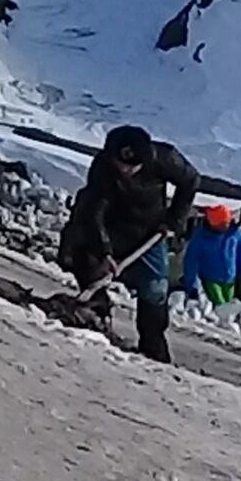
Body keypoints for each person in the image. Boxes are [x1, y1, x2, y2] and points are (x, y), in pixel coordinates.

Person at [57, 126, 199, 363]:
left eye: (131, 167)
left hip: (150, 231)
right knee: (86, 262)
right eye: (120, 164)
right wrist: (105, 251)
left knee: (155, 290)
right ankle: (95, 316)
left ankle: (153, 350)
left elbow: (191, 180)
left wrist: (174, 219)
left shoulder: (164, 158)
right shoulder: (103, 168)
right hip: (112, 226)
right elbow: (93, 210)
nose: (124, 169)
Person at [182, 204, 241, 306]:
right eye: (222, 224)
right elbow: (191, 261)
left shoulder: (234, 233)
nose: (225, 226)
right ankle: (222, 319)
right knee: (220, 304)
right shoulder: (201, 238)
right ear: (213, 223)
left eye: (227, 223)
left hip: (230, 278)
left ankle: (229, 319)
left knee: (229, 303)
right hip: (211, 279)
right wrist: (191, 285)